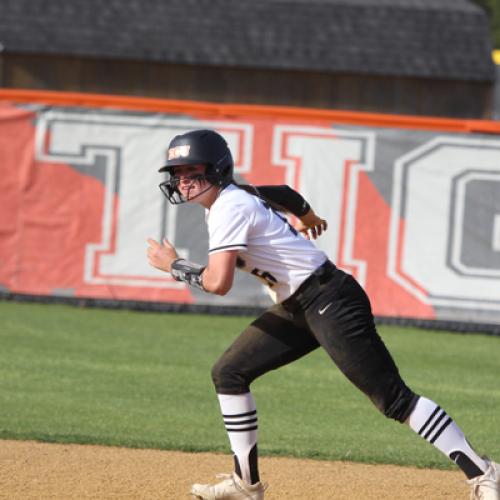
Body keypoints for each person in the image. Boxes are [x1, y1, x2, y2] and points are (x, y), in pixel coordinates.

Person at [147, 129, 500, 500]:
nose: (182, 180)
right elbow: (283, 192)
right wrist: (307, 215)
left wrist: (175, 266)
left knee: (393, 399)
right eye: (178, 172)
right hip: (297, 304)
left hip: (329, 299)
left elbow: (219, 283)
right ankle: (245, 484)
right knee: (229, 373)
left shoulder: (229, 207)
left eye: (191, 170)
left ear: (218, 169)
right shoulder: (235, 197)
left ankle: (484, 472)